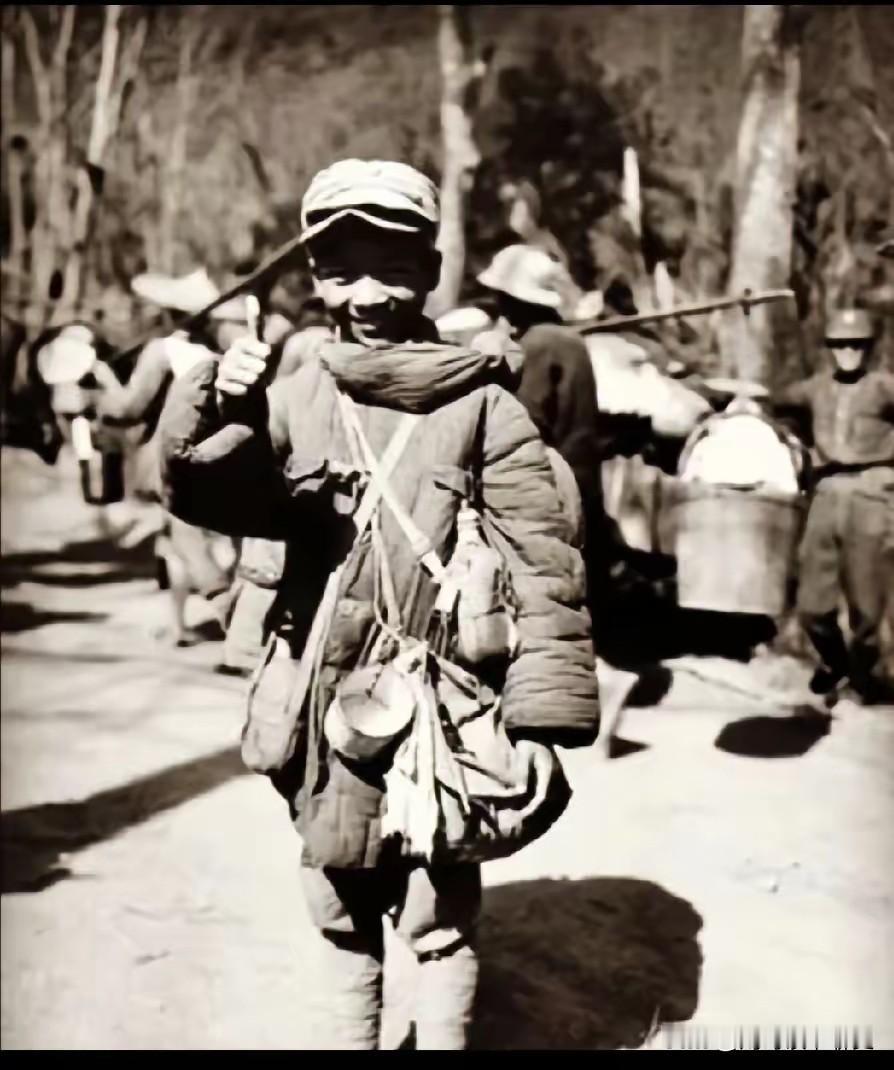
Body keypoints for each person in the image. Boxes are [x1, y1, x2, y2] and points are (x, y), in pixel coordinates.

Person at [157, 159, 599, 1050]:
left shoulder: (485, 406)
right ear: (317, 278)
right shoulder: (294, 394)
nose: (368, 295)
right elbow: (215, 498)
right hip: (324, 702)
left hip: (448, 704)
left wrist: (541, 721)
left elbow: (544, 564)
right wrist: (218, 406)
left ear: (429, 271)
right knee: (337, 902)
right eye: (343, 271)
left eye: (394, 269)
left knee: (439, 914)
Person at [775, 308, 894, 705]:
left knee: (867, 607)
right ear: (829, 348)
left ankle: (864, 680)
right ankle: (835, 661)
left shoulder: (884, 387)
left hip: (871, 492)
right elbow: (773, 400)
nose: (848, 352)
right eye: (841, 344)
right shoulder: (814, 389)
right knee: (812, 604)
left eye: (857, 344)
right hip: (825, 492)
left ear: (869, 348)